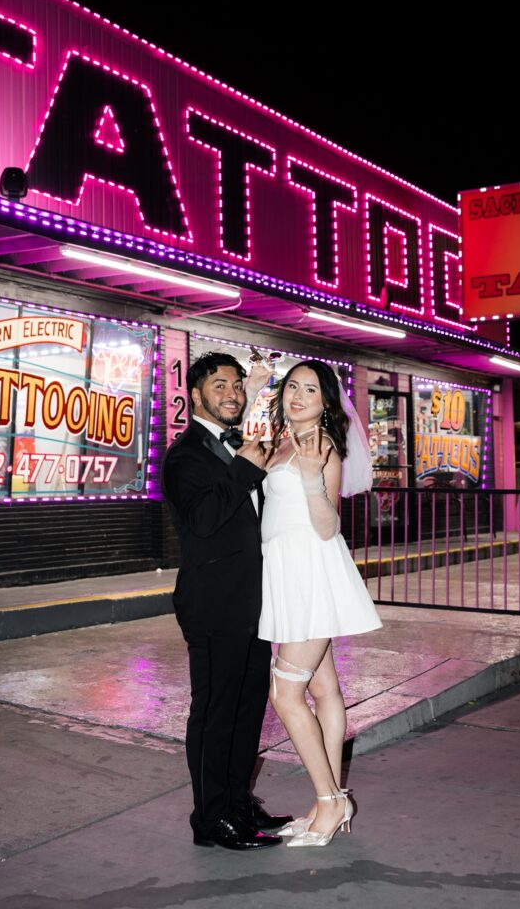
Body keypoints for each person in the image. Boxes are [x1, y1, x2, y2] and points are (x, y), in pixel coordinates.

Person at [161, 351, 291, 850]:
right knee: (216, 713)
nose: (232, 393)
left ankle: (237, 803)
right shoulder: (184, 455)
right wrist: (245, 467)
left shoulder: (239, 444)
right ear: (196, 395)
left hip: (255, 606)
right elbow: (203, 521)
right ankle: (210, 820)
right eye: (220, 385)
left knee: (246, 711)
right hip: (214, 605)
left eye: (238, 385)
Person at [257, 359, 383, 848]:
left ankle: (331, 802)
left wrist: (311, 478)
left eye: (310, 389)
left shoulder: (323, 446)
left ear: (326, 401)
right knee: (324, 689)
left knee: (285, 695)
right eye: (292, 386)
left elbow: (328, 526)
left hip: (309, 571)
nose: (298, 395)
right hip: (284, 572)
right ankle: (325, 800)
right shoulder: (282, 443)